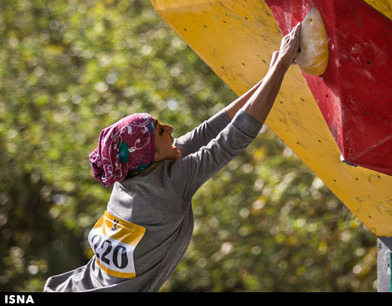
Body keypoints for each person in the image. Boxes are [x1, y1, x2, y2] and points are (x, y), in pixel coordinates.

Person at [44, 23, 302, 292]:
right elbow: (234, 138)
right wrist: (280, 65)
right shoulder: (166, 188)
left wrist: (273, 75)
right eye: (161, 130)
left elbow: (208, 131)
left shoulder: (131, 172)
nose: (171, 129)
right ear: (150, 154)